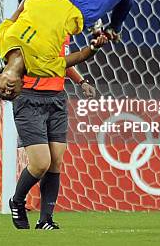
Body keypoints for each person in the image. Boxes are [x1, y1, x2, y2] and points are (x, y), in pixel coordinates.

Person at [0, 0, 136, 100]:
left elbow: (19, 10)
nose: (7, 91)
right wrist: (94, 47)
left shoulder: (1, 40)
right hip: (81, 8)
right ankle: (114, 28)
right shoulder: (39, 68)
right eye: (12, 95)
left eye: (2, 90)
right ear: (22, 85)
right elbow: (79, 56)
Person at [9, 35, 96, 230]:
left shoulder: (62, 30)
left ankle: (45, 220)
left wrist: (81, 81)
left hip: (56, 99)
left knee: (56, 161)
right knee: (40, 163)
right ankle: (17, 200)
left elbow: (62, 63)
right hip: (29, 99)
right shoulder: (28, 29)